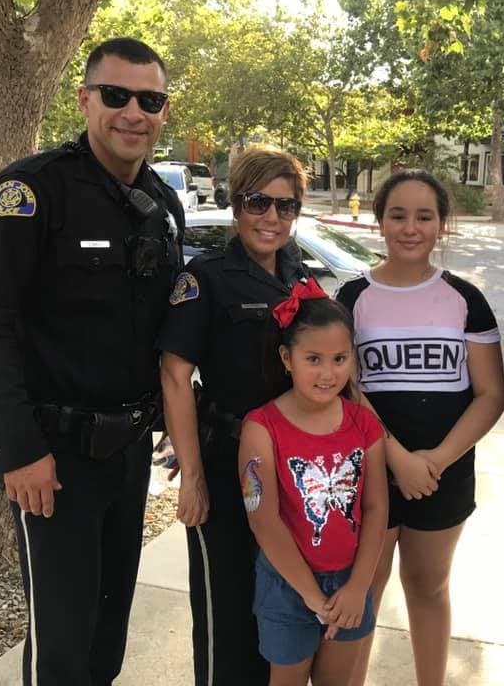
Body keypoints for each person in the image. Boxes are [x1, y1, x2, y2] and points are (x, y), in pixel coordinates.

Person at [0, 37, 183, 685]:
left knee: (106, 640)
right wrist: (20, 449)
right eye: (116, 96)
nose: (133, 112)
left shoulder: (164, 207)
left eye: (150, 99)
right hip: (52, 460)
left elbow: (166, 328)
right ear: (85, 100)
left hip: (129, 452)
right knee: (60, 649)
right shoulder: (30, 192)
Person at [335, 169, 504, 686]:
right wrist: (398, 459)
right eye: (398, 215)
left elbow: (490, 394)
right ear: (379, 221)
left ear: (441, 225)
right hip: (371, 470)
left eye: (424, 216)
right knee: (364, 587)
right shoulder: (351, 297)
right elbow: (345, 391)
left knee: (428, 586)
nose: (411, 228)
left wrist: (434, 460)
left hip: (443, 473)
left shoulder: (465, 299)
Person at [157, 147, 310, 685]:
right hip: (226, 465)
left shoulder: (299, 274)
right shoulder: (206, 277)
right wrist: (192, 477)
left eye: (285, 206)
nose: (272, 217)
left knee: (282, 607)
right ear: (234, 203)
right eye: (258, 202)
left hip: (293, 469)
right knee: (227, 613)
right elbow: (176, 376)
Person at [239, 284, 388, 685]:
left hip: (350, 583)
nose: (328, 373)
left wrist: (359, 586)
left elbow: (376, 509)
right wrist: (310, 595)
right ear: (287, 358)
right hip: (287, 587)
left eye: (340, 359)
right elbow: (263, 520)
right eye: (313, 359)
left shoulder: (366, 425)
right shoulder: (261, 428)